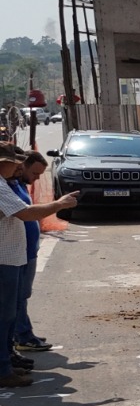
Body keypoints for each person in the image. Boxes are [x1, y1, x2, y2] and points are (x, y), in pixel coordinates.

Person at [0, 146, 78, 387]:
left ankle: (6, 362)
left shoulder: (5, 183)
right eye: (15, 163)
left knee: (9, 314)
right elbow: (25, 213)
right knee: (4, 316)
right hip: (4, 259)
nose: (18, 168)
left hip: (11, 258)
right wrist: (60, 205)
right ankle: (3, 370)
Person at [11, 152, 51, 354]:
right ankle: (23, 336)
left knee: (22, 295)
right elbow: (25, 213)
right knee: (17, 297)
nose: (36, 178)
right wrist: (59, 205)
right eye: (34, 173)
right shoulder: (8, 186)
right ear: (22, 167)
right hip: (16, 252)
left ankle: (24, 333)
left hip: (28, 249)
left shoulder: (19, 185)